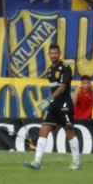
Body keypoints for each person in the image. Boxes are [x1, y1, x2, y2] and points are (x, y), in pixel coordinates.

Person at [25, 43, 81, 171]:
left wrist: (50, 99)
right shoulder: (50, 70)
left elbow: (63, 87)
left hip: (64, 105)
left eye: (56, 53)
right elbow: (53, 88)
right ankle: (36, 162)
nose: (53, 55)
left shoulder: (65, 68)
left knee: (69, 132)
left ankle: (76, 162)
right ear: (49, 55)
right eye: (51, 53)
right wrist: (49, 102)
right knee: (43, 130)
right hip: (54, 105)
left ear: (59, 54)